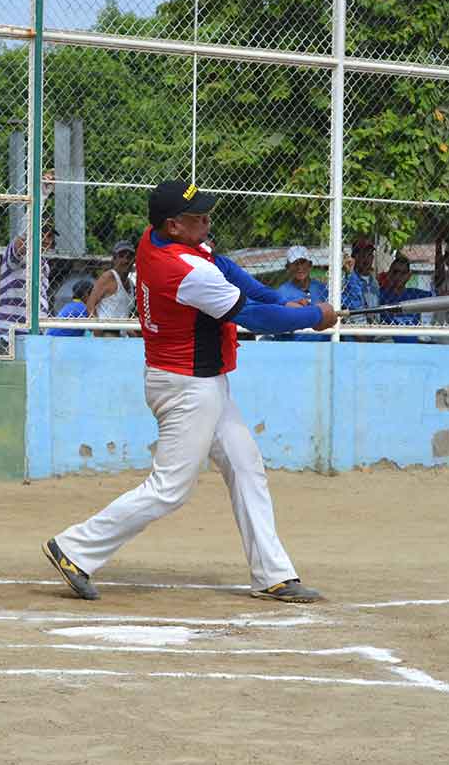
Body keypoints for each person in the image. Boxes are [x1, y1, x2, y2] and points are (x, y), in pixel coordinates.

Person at [43, 180, 336, 604]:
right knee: (169, 488)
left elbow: (229, 269)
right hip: (187, 388)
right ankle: (75, 548)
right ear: (173, 226)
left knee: (245, 466)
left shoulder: (155, 239)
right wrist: (312, 315)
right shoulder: (185, 273)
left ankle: (273, 573)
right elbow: (252, 317)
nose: (206, 220)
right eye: (197, 217)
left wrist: (281, 299)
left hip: (201, 381)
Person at [0, 221, 54, 355]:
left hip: (35, 332)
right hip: (10, 333)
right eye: (43, 234)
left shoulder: (44, 264)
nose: (47, 240)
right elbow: (18, 246)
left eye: (50, 236)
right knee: (8, 374)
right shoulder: (16, 254)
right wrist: (27, 226)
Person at [274, 245, 329, 342]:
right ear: (288, 267)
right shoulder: (281, 292)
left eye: (303, 262)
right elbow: (276, 323)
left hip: (322, 345)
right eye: (295, 263)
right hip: (294, 346)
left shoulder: (321, 288)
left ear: (310, 265)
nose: (300, 267)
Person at [379, 254, 436, 344]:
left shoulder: (415, 294)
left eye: (403, 273)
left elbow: (437, 293)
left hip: (413, 345)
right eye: (395, 272)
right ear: (389, 273)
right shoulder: (381, 295)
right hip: (390, 344)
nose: (398, 276)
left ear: (409, 276)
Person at [85, 241, 137, 330]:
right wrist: (98, 332)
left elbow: (124, 316)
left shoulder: (131, 284)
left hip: (121, 337)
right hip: (106, 334)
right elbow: (90, 306)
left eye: (129, 257)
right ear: (114, 259)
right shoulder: (108, 277)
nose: (125, 260)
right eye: (121, 256)